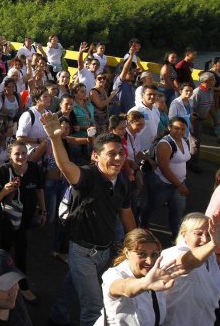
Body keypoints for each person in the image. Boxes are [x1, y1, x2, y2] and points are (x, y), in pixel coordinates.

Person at [41, 113, 136, 326]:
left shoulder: (122, 181)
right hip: (82, 253)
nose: (118, 158)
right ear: (95, 156)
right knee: (94, 308)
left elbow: (127, 213)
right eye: (111, 154)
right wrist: (56, 138)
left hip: (106, 251)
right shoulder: (87, 177)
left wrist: (136, 244)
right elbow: (66, 166)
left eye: (121, 153)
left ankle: (56, 317)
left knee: (73, 285)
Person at [94, 229, 181, 326]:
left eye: (154, 254)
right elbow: (125, 288)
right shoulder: (113, 275)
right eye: (142, 254)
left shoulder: (156, 272)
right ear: (127, 253)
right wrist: (145, 283)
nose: (150, 261)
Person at [160, 213, 220, 326]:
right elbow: (186, 262)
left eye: (209, 234)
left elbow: (215, 271)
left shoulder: (209, 256)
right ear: (184, 234)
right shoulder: (174, 253)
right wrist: (212, 244)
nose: (205, 240)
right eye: (198, 234)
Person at [3, 140, 46, 304]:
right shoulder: (4, 170)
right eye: (16, 154)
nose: (21, 157)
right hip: (6, 220)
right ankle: (5, 286)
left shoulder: (34, 168)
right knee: (5, 251)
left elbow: (39, 189)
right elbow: (3, 201)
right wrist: (11, 191)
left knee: (21, 251)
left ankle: (21, 286)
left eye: (23, 153)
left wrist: (43, 211)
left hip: (25, 219)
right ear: (10, 155)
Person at [140, 117, 191, 238]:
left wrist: (181, 179)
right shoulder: (165, 144)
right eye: (176, 128)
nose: (179, 131)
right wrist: (180, 185)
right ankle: (142, 224)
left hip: (179, 182)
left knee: (177, 212)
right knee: (152, 206)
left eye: (183, 129)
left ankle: (177, 239)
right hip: (162, 184)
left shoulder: (184, 141)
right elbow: (164, 168)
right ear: (169, 128)